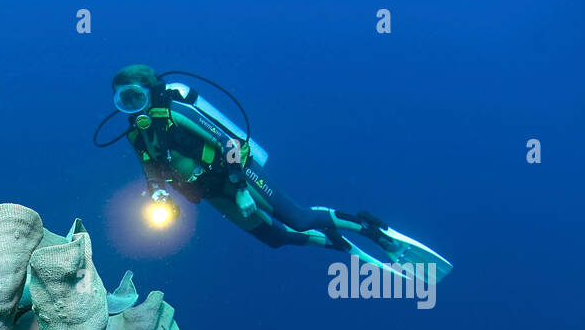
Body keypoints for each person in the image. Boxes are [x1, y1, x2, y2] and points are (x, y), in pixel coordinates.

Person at [98, 64, 451, 285]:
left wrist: (240, 188)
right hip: (212, 191)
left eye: (134, 97)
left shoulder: (176, 112)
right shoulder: (137, 134)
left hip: (237, 176)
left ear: (148, 91)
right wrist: (157, 196)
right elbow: (151, 172)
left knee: (296, 219)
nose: (131, 107)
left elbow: (231, 143)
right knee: (275, 239)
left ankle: (374, 230)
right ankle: (339, 244)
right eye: (122, 102)